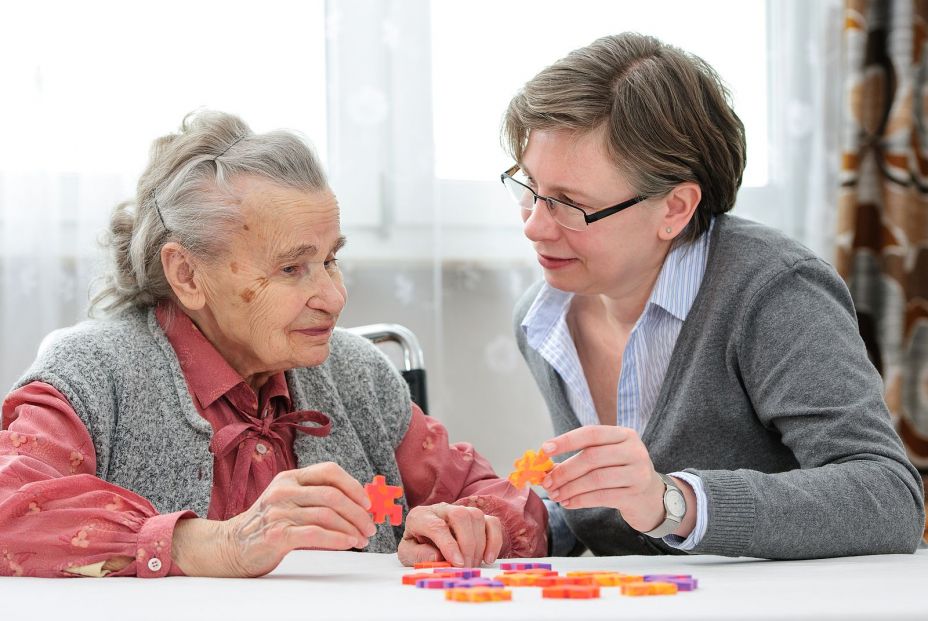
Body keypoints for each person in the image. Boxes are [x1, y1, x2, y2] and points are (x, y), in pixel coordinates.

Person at [0, 111, 546, 578]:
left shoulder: (355, 373)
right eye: (292, 268)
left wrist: (470, 529)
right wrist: (215, 545)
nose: (334, 297)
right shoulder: (94, 372)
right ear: (187, 274)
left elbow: (512, 504)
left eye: (331, 258)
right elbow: (9, 507)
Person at [501, 33, 925, 559]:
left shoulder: (773, 293)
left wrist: (674, 502)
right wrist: (512, 526)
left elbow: (887, 499)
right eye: (530, 188)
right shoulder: (543, 318)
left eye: (570, 204)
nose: (535, 227)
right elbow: (612, 513)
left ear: (675, 208)